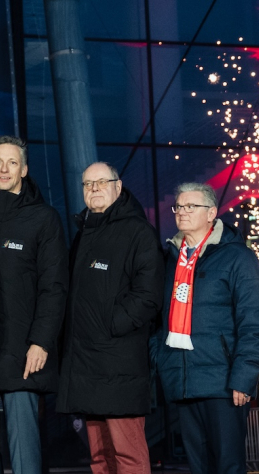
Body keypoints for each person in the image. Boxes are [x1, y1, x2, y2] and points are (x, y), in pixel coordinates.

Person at [0, 136, 67, 474]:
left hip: (22, 349)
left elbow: (54, 287)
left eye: (12, 162)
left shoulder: (43, 218)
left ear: (24, 168)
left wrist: (41, 341)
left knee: (25, 453)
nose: (4, 169)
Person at [150, 183, 259, 474]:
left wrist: (244, 376)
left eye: (190, 206)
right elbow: (157, 319)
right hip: (182, 378)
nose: (182, 212)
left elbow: (256, 320)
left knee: (228, 466)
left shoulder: (237, 257)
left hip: (223, 381)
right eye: (178, 206)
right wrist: (160, 358)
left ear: (211, 213)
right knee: (199, 466)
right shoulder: (169, 258)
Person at [57, 163, 165, 474]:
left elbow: (148, 297)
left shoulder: (138, 232)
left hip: (119, 363)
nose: (94, 188)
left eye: (101, 182)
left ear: (118, 187)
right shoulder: (84, 233)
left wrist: (110, 326)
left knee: (128, 455)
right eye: (87, 184)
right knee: (100, 457)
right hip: (87, 364)